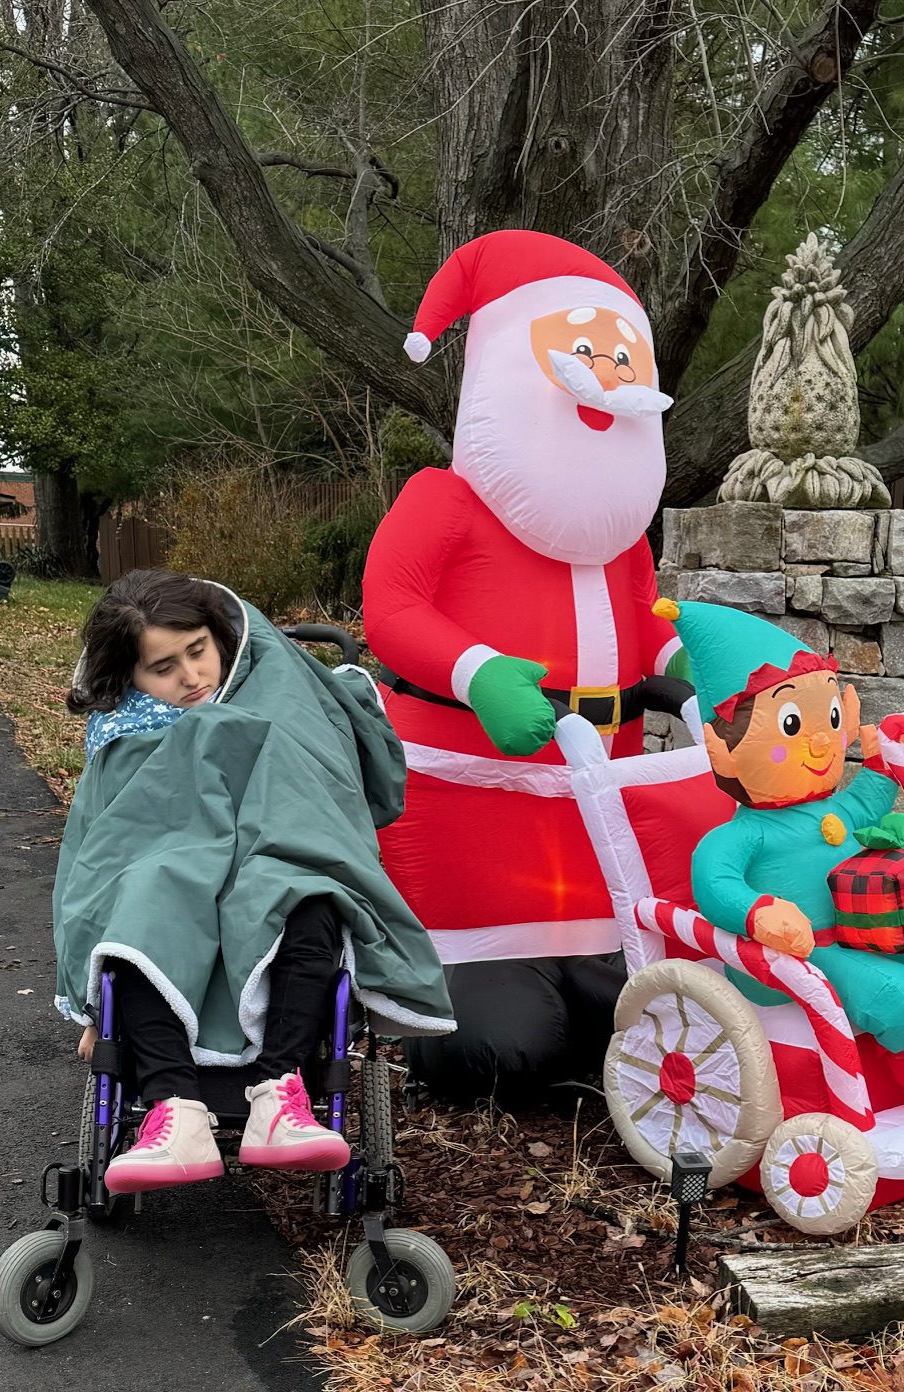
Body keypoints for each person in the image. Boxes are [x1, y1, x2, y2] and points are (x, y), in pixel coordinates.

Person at [362, 230, 690, 1108]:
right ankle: (470, 985)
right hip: (471, 814)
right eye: (584, 352)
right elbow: (390, 609)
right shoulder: (444, 501)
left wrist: (685, 661)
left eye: (622, 355)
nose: (609, 376)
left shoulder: (620, 534)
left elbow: (645, 627)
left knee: (629, 1006)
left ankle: (583, 975)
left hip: (593, 815)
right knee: (495, 1042)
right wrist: (477, 673)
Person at [56, 570, 453, 1194]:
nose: (190, 677)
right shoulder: (123, 739)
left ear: (220, 637)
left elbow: (317, 789)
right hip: (171, 868)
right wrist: (89, 1005)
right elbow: (95, 856)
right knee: (135, 902)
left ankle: (279, 1093)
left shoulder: (276, 693)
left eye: (197, 651)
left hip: (273, 857)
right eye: (163, 668)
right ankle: (174, 1112)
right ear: (128, 675)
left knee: (313, 896)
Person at [663, 598, 904, 1097]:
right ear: (725, 749)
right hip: (805, 952)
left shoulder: (830, 808)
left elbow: (864, 804)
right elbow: (714, 879)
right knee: (894, 991)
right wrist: (757, 912)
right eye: (792, 727)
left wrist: (885, 764)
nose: (819, 743)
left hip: (866, 929)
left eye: (830, 720)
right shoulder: (745, 834)